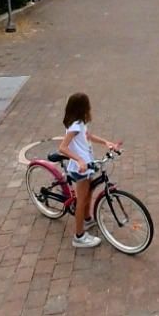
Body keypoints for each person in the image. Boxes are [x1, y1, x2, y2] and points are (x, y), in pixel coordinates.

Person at [58, 92, 118, 248]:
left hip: (88, 164)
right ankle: (78, 236)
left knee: (89, 193)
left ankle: (87, 218)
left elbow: (88, 136)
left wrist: (106, 142)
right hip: (81, 168)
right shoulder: (75, 126)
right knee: (82, 200)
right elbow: (62, 147)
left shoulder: (80, 123)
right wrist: (79, 160)